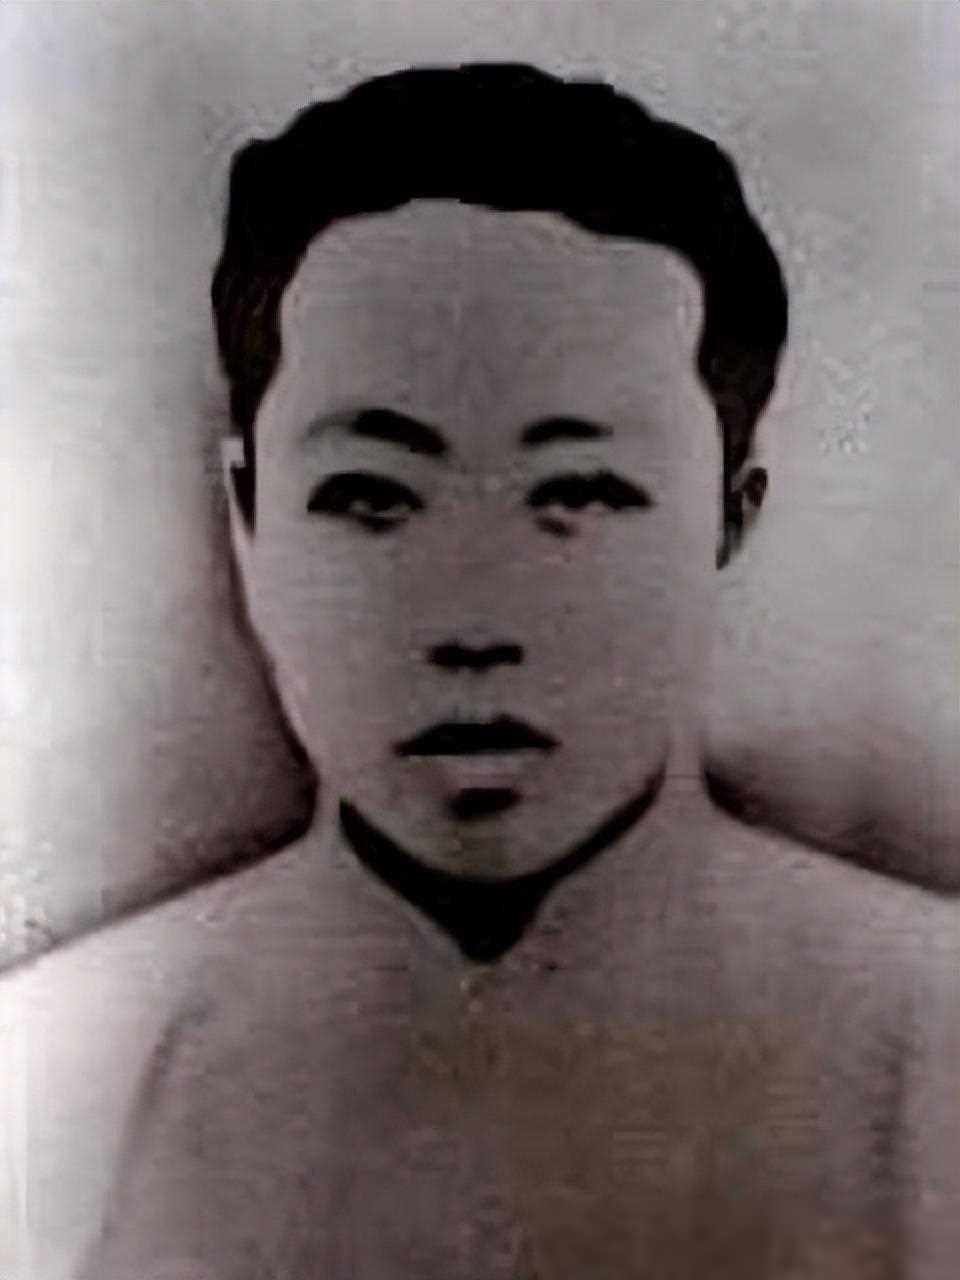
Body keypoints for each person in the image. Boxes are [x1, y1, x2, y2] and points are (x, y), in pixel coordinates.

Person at [3, 62, 957, 1280]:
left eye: (581, 492)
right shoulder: (55, 1082)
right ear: (247, 514)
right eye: (369, 495)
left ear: (730, 511)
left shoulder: (935, 1051)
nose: (473, 617)